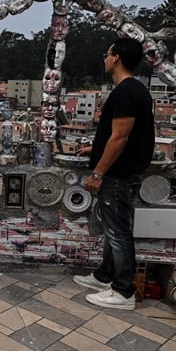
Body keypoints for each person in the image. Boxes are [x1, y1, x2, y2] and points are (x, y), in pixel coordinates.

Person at [73, 37, 154, 311]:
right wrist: (93, 148)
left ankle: (123, 291)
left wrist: (97, 172)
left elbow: (120, 137)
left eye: (107, 54)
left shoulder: (125, 92)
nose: (104, 59)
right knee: (113, 229)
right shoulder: (136, 90)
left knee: (118, 232)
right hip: (124, 171)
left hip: (118, 175)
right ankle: (104, 276)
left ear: (117, 57)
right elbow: (116, 136)